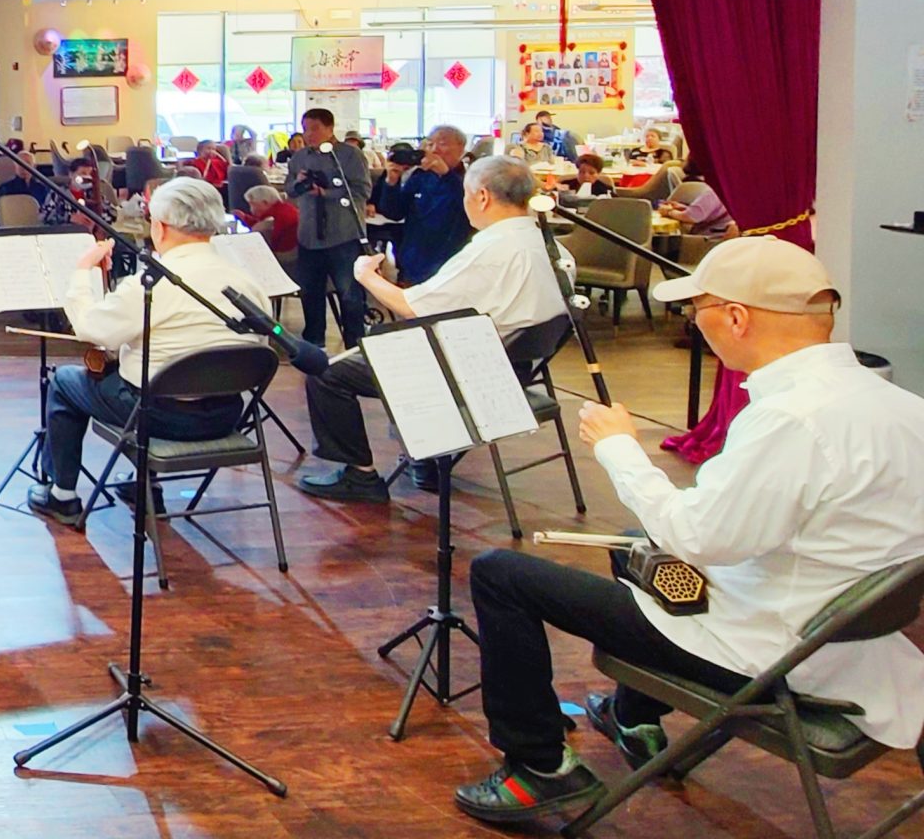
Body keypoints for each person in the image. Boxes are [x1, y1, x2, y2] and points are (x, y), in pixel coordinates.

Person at [452, 239, 924, 825]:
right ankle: (633, 717)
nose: (694, 322)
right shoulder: (901, 405)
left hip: (769, 653)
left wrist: (619, 448)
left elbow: (696, 539)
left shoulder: (790, 420)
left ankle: (539, 769)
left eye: (697, 309)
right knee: (637, 545)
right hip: (850, 638)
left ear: (736, 318)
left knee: (500, 575)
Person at [299, 155, 572, 504]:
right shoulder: (554, 248)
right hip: (517, 367)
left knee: (326, 372)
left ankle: (359, 475)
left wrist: (366, 276)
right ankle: (424, 455)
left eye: (466, 194)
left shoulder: (492, 250)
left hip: (470, 373)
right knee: (408, 342)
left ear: (482, 196)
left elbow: (412, 306)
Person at [24, 178, 265, 526]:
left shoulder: (153, 284)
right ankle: (145, 486)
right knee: (149, 372)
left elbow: (92, 330)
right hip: (226, 413)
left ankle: (62, 496)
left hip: (160, 418)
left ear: (160, 227)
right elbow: (258, 348)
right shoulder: (247, 282)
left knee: (65, 381)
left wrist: (82, 273)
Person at [284, 106, 371, 347]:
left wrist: (327, 192)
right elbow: (289, 189)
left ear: (330, 128)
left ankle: (356, 344)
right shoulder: (300, 157)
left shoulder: (350, 155)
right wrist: (299, 182)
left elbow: (362, 191)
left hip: (343, 235)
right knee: (310, 292)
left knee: (349, 294)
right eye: (305, 129)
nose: (309, 134)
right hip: (308, 236)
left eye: (315, 129)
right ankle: (314, 342)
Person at [374, 124, 470, 283]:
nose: (434, 150)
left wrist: (446, 175)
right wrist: (392, 181)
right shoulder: (420, 176)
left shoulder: (471, 178)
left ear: (461, 149)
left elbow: (467, 208)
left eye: (442, 144)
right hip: (414, 263)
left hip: (451, 266)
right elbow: (395, 213)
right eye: (430, 144)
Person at [662, 184, 737, 238]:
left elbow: (691, 217)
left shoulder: (714, 192)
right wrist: (684, 208)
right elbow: (710, 212)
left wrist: (669, 212)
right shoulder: (733, 189)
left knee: (665, 241)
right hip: (722, 239)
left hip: (707, 239)